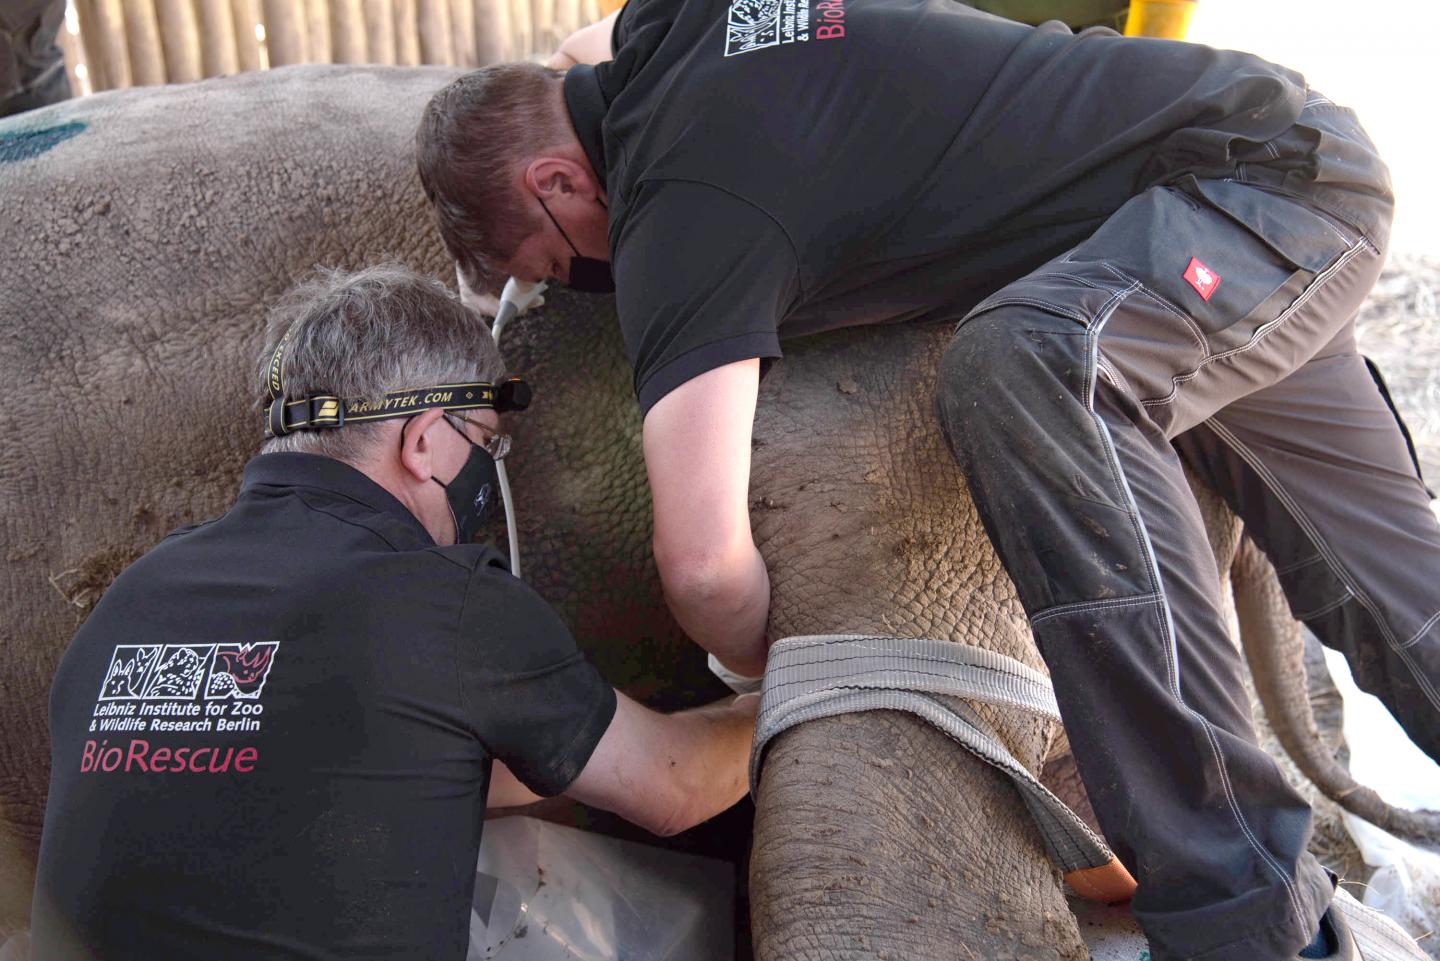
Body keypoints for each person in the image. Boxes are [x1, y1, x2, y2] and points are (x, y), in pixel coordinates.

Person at [415, 2, 1440, 959]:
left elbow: (700, 567)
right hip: (1277, 172)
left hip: (1229, 212)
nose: (575, 280)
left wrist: (764, 672)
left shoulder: (680, 216)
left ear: (556, 181)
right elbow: (574, 53)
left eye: (552, 263)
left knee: (1028, 364)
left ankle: (1247, 914)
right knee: (1397, 606)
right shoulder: (665, 29)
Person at [30, 265, 757, 961]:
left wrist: (569, 736)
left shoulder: (130, 599)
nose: (486, 467)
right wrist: (786, 695)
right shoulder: (444, 600)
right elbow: (677, 787)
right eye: (484, 441)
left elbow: (340, 758)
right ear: (422, 441)